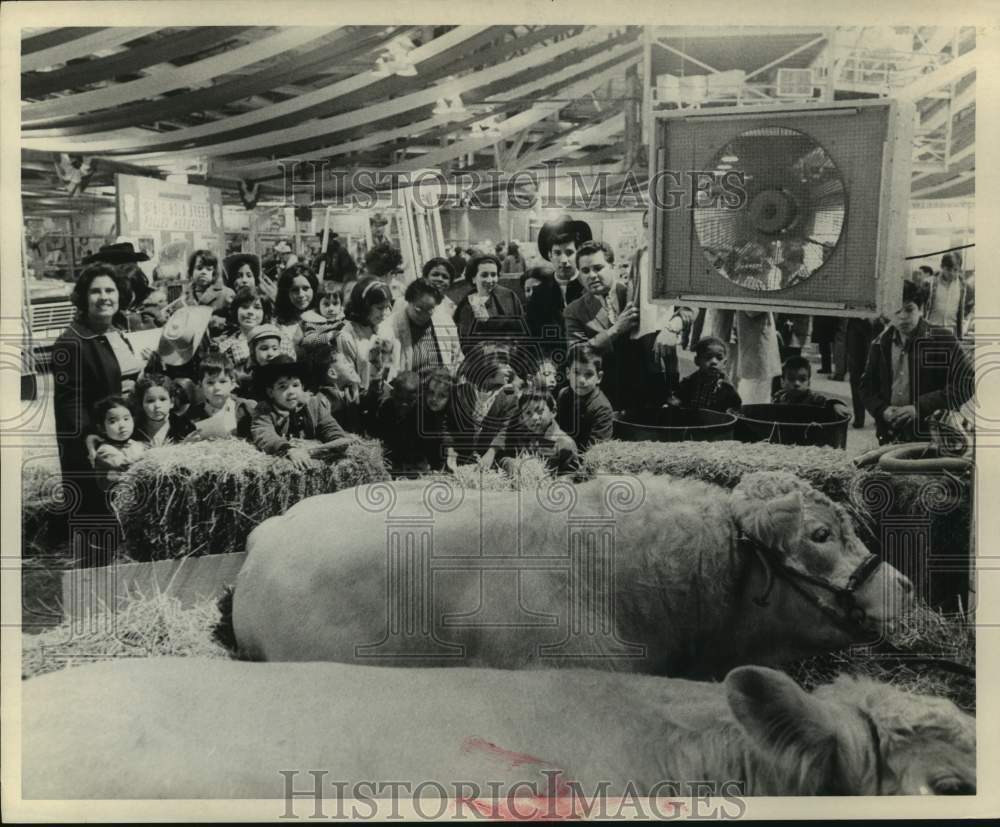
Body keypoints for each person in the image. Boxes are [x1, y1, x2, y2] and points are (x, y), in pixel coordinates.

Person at [52, 263, 138, 507]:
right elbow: (70, 402)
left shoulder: (117, 332)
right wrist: (91, 437)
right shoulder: (71, 341)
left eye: (110, 291)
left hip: (125, 431)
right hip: (99, 441)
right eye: (95, 291)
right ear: (83, 298)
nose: (104, 297)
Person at [860, 280, 975, 445]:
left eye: (909, 309)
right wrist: (882, 410)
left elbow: (967, 382)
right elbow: (866, 387)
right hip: (891, 435)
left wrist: (920, 408)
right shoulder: (880, 343)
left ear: (921, 309)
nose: (903, 316)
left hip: (933, 436)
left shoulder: (941, 339)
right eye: (896, 310)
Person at [563, 241, 637, 410]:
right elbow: (577, 351)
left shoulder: (633, 294)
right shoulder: (574, 310)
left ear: (612, 266)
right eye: (585, 270)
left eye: (598, 268)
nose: (592, 275)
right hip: (603, 395)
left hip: (645, 387)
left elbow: (679, 308)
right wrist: (616, 329)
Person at [249, 356, 358, 470]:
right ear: (271, 392)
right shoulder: (264, 410)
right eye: (282, 387)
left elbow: (332, 430)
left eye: (295, 385)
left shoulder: (314, 405)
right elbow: (264, 434)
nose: (291, 392)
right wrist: (287, 449)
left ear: (302, 387)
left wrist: (316, 449)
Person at [335, 277, 397, 427]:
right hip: (359, 407)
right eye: (379, 308)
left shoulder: (385, 328)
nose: (385, 313)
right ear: (364, 306)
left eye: (388, 307)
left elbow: (392, 364)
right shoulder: (347, 335)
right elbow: (347, 381)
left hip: (384, 401)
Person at [449, 341, 520, 468]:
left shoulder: (509, 395)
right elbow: (448, 425)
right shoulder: (461, 392)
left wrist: (491, 453)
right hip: (463, 457)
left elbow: (505, 429)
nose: (510, 368)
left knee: (510, 465)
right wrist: (450, 452)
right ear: (487, 364)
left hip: (494, 455)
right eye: (504, 363)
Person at [380, 279, 463, 377]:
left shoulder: (445, 320)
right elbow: (385, 371)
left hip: (442, 384)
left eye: (430, 309)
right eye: (418, 309)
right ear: (408, 301)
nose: (424, 315)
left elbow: (457, 357)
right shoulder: (388, 329)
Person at [454, 254, 526, 354]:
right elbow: (466, 343)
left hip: (512, 354)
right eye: (484, 275)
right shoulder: (467, 305)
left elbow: (522, 326)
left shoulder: (509, 296)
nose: (490, 280)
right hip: (482, 360)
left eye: (493, 275)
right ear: (473, 278)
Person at [501, 390, 580, 477]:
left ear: (553, 412)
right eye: (528, 413)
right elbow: (503, 457)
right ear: (522, 417)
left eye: (539, 411)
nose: (534, 418)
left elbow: (571, 476)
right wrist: (509, 463)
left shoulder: (564, 444)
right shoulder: (520, 436)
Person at [556, 345, 614, 453]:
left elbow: (596, 453)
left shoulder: (601, 408)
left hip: (585, 461)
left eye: (589, 374)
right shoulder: (563, 394)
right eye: (576, 372)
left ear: (599, 377)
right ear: (568, 373)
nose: (581, 380)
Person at [185, 351, 256, 439]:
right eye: (210, 382)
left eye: (222, 381)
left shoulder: (247, 408)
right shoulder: (193, 415)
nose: (217, 388)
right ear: (200, 386)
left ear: (233, 384)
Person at [85, 395, 147, 492]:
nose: (122, 425)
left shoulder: (136, 444)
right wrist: (146, 457)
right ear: (102, 428)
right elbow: (121, 464)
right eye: (113, 421)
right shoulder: (104, 450)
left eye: (126, 419)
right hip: (118, 495)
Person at [370, 371, 426, 475]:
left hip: (414, 465)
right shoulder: (385, 409)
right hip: (391, 462)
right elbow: (378, 437)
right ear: (392, 394)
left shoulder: (423, 415)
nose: (403, 404)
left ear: (418, 397)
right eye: (399, 399)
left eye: (410, 400)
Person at [671, 337, 742, 414]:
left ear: (724, 363)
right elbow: (677, 398)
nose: (714, 362)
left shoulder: (726, 387)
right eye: (708, 357)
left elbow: (736, 405)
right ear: (697, 361)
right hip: (691, 421)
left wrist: (731, 411)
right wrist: (675, 402)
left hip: (715, 423)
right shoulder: (689, 382)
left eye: (719, 358)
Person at [217, 286, 272, 385]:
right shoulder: (225, 347)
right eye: (245, 307)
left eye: (257, 307)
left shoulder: (278, 338)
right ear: (236, 311)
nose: (250, 312)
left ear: (265, 313)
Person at [771, 355, 850, 418]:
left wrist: (835, 405)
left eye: (802, 379)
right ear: (782, 382)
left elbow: (827, 402)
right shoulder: (779, 397)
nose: (797, 383)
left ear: (809, 382)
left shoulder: (813, 398)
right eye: (791, 379)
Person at [536, 215, 590, 305]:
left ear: (579, 254)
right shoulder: (539, 293)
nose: (563, 260)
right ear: (550, 255)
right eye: (557, 253)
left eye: (569, 253)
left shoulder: (589, 288)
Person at [131, 374, 196, 446]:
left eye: (162, 399)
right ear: (141, 404)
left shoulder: (185, 427)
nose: (157, 406)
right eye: (150, 401)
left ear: (171, 402)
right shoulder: (132, 429)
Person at [415, 366, 457, 472]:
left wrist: (450, 452)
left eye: (442, 396)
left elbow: (448, 436)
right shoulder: (418, 409)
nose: (434, 399)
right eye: (431, 392)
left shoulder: (451, 412)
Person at [925, 253, 971, 339]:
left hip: (951, 329)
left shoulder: (962, 285)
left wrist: (960, 334)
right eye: (949, 269)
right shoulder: (931, 283)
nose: (952, 273)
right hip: (932, 327)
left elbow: (961, 310)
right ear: (942, 267)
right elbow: (924, 308)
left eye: (955, 270)